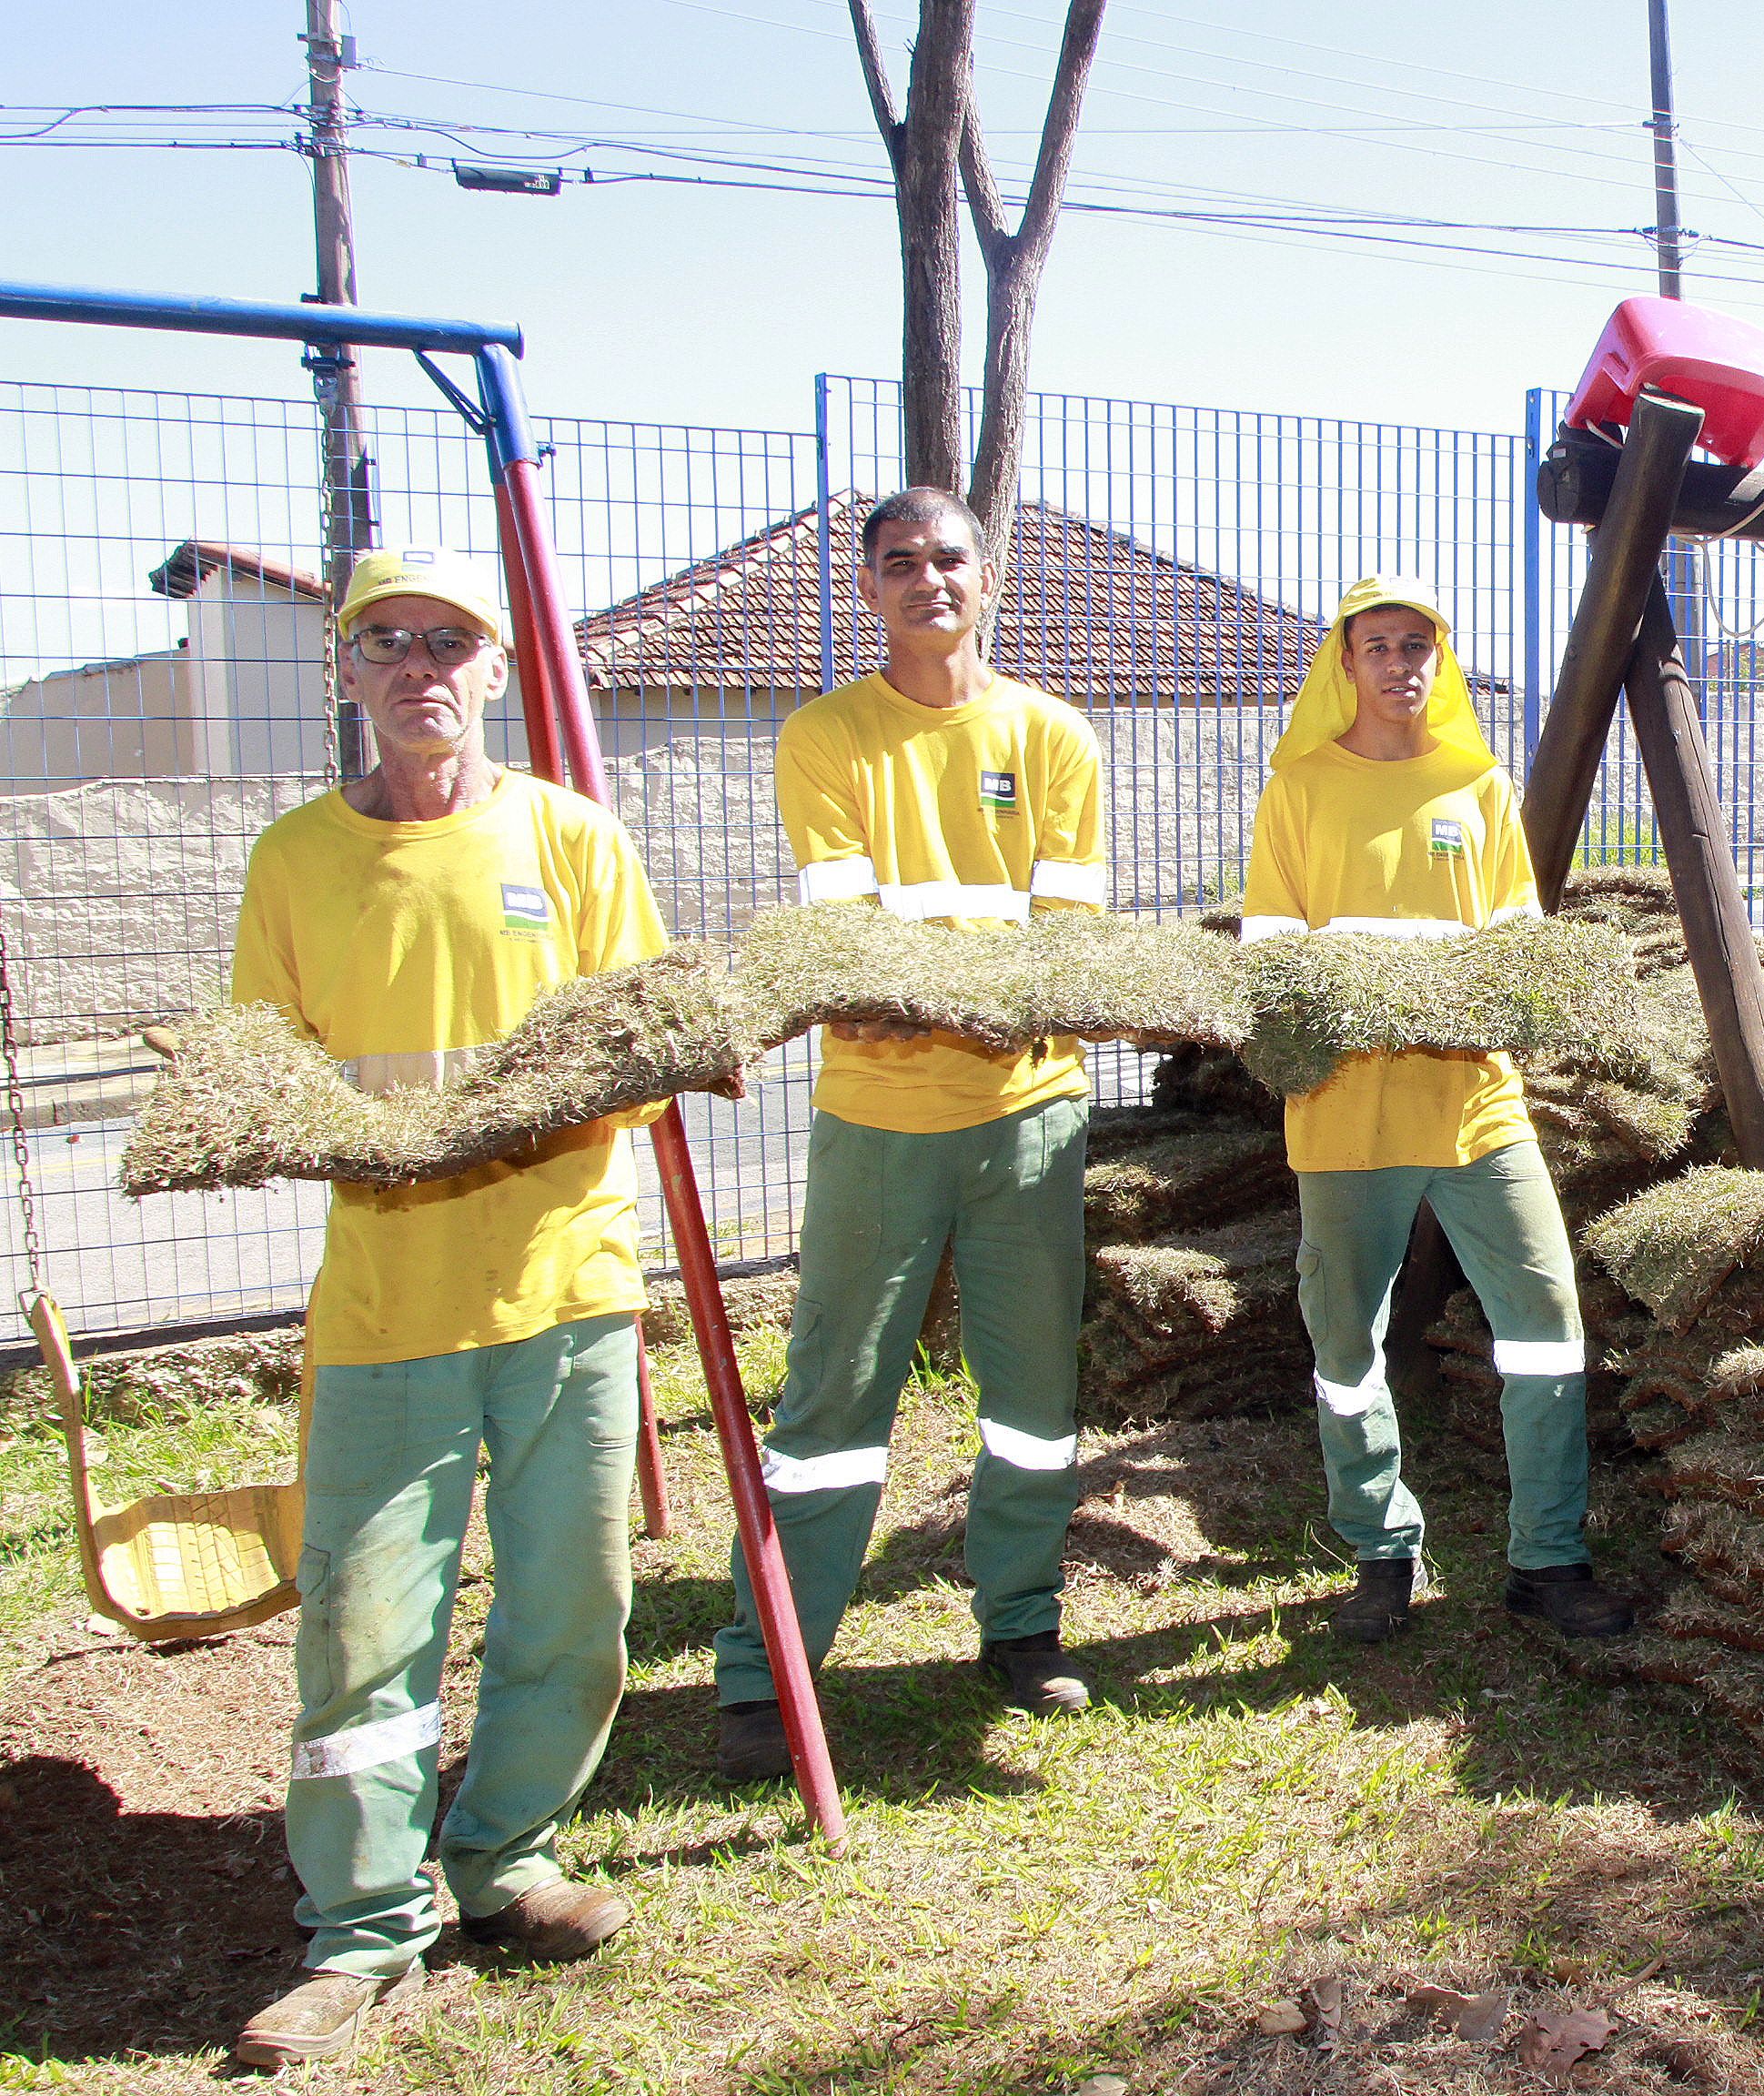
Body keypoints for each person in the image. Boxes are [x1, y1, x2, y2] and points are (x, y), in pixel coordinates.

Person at [229, 547, 667, 2071]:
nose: (419, 666)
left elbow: (644, 1032)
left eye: (449, 641)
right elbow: (265, 1067)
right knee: (365, 1628)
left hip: (566, 1284)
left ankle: (506, 1855)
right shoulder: (292, 862)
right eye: (387, 641)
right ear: (348, 668)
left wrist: (551, 1109)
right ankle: (362, 1925)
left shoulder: (574, 837)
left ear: (493, 668)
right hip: (388, 1304)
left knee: (571, 1601)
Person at [713, 486, 1108, 1780]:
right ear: (868, 588)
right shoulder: (827, 738)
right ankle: (768, 1666)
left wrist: (998, 1010)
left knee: (1035, 1399)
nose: (926, 579)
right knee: (835, 1395)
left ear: (987, 579)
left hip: (1031, 1117)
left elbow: (1068, 934)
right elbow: (849, 933)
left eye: (948, 559)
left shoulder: (1053, 737)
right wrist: (949, 996)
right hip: (878, 1121)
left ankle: (1022, 1624)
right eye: (899, 564)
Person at [1240, 575, 1632, 1644]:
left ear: (1440, 660)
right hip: (1344, 1114)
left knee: (1546, 1330)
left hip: (1477, 1109)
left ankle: (1548, 1560)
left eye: (1419, 643)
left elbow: (1517, 948)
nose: (1400, 663)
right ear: (1345, 662)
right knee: (1345, 1343)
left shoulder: (1480, 787)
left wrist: (1468, 994)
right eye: (1378, 645)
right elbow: (1270, 953)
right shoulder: (1301, 789)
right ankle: (1379, 1551)